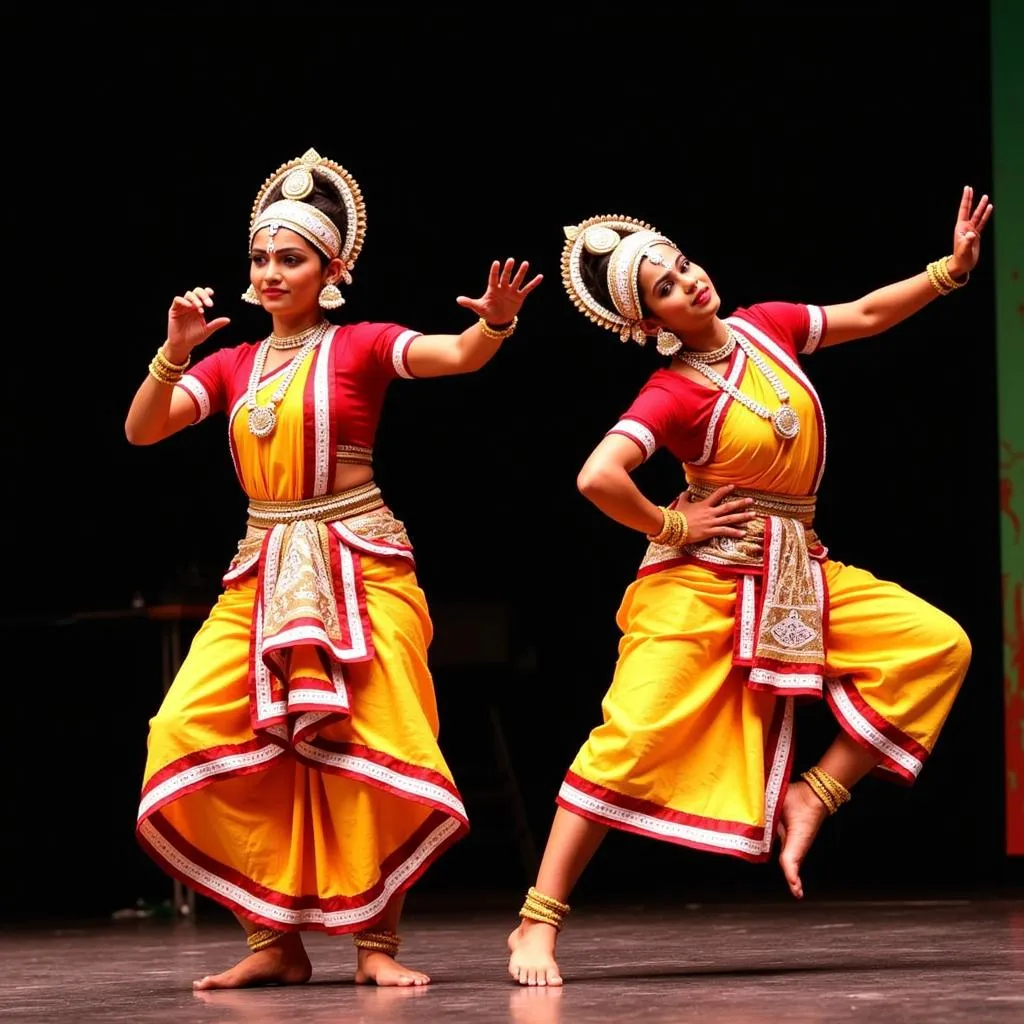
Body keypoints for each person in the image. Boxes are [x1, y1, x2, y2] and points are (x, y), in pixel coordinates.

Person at [507, 187, 992, 986]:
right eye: (664, 286)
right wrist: (671, 526)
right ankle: (536, 922)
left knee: (937, 643)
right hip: (703, 584)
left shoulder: (767, 326)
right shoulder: (674, 390)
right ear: (652, 323)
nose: (688, 282)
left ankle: (816, 794)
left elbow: (866, 315)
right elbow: (599, 476)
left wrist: (949, 271)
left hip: (798, 571)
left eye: (682, 265)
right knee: (630, 738)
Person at [125, 146, 542, 989]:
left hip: (360, 559)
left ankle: (375, 945)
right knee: (188, 730)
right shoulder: (234, 364)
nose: (270, 272)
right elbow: (143, 429)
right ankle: (270, 940)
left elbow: (456, 357)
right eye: (261, 258)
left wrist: (494, 322)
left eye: (290, 258)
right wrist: (171, 354)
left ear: (333, 269)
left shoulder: (361, 344)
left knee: (372, 740)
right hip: (262, 568)